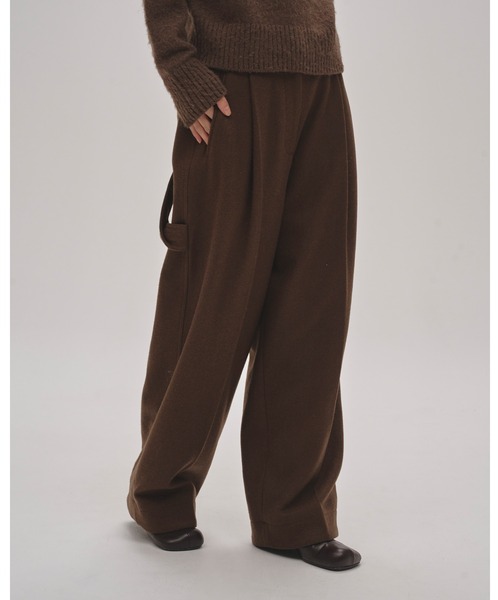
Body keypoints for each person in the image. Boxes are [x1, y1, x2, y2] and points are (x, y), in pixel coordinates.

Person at [126, 0, 361, 572]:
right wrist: (180, 65)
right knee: (213, 304)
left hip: (321, 79)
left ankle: (291, 515)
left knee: (313, 310)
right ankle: (160, 492)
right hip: (229, 87)